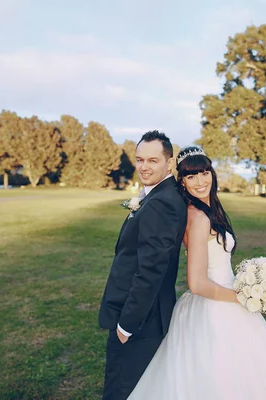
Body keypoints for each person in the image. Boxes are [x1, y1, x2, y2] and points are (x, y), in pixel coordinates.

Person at [128, 146, 266, 399]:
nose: (200, 181)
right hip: (215, 305)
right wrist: (243, 297)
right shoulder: (199, 219)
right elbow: (197, 283)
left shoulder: (206, 209)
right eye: (191, 176)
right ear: (181, 182)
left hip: (225, 294)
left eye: (204, 173)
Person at [98, 131, 187, 400]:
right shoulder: (156, 195)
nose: (144, 167)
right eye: (139, 160)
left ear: (169, 163)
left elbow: (151, 270)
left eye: (152, 160)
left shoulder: (162, 203)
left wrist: (127, 325)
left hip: (140, 321)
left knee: (122, 390)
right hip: (142, 317)